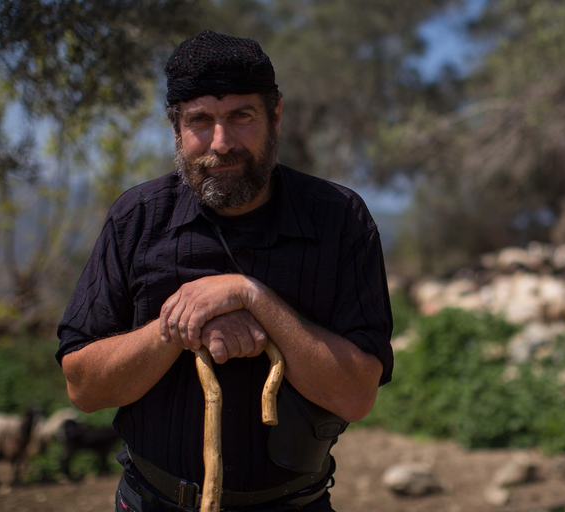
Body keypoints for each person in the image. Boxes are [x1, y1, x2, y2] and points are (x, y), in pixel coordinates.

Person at [56, 30, 393, 512]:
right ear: (176, 129)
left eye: (241, 116)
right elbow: (83, 388)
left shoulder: (339, 219)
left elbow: (356, 396)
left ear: (274, 116)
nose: (221, 142)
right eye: (200, 121)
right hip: (151, 502)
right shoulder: (137, 218)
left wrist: (253, 297)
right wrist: (181, 324)